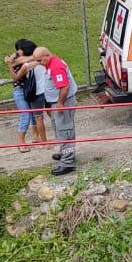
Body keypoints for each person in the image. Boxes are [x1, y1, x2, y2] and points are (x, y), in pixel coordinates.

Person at [33, 47, 77, 175]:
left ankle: (68, 162)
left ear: (47, 55)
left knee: (65, 130)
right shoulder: (50, 62)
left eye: (41, 60)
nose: (40, 63)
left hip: (62, 102)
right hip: (56, 102)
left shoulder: (56, 66)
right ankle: (65, 153)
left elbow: (64, 86)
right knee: (60, 129)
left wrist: (60, 103)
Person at [6, 38, 47, 153]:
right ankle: (21, 142)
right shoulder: (16, 59)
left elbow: (34, 58)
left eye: (19, 49)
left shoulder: (29, 58)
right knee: (26, 115)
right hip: (20, 89)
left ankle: (35, 136)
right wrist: (10, 64)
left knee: (35, 114)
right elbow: (16, 72)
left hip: (30, 89)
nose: (17, 51)